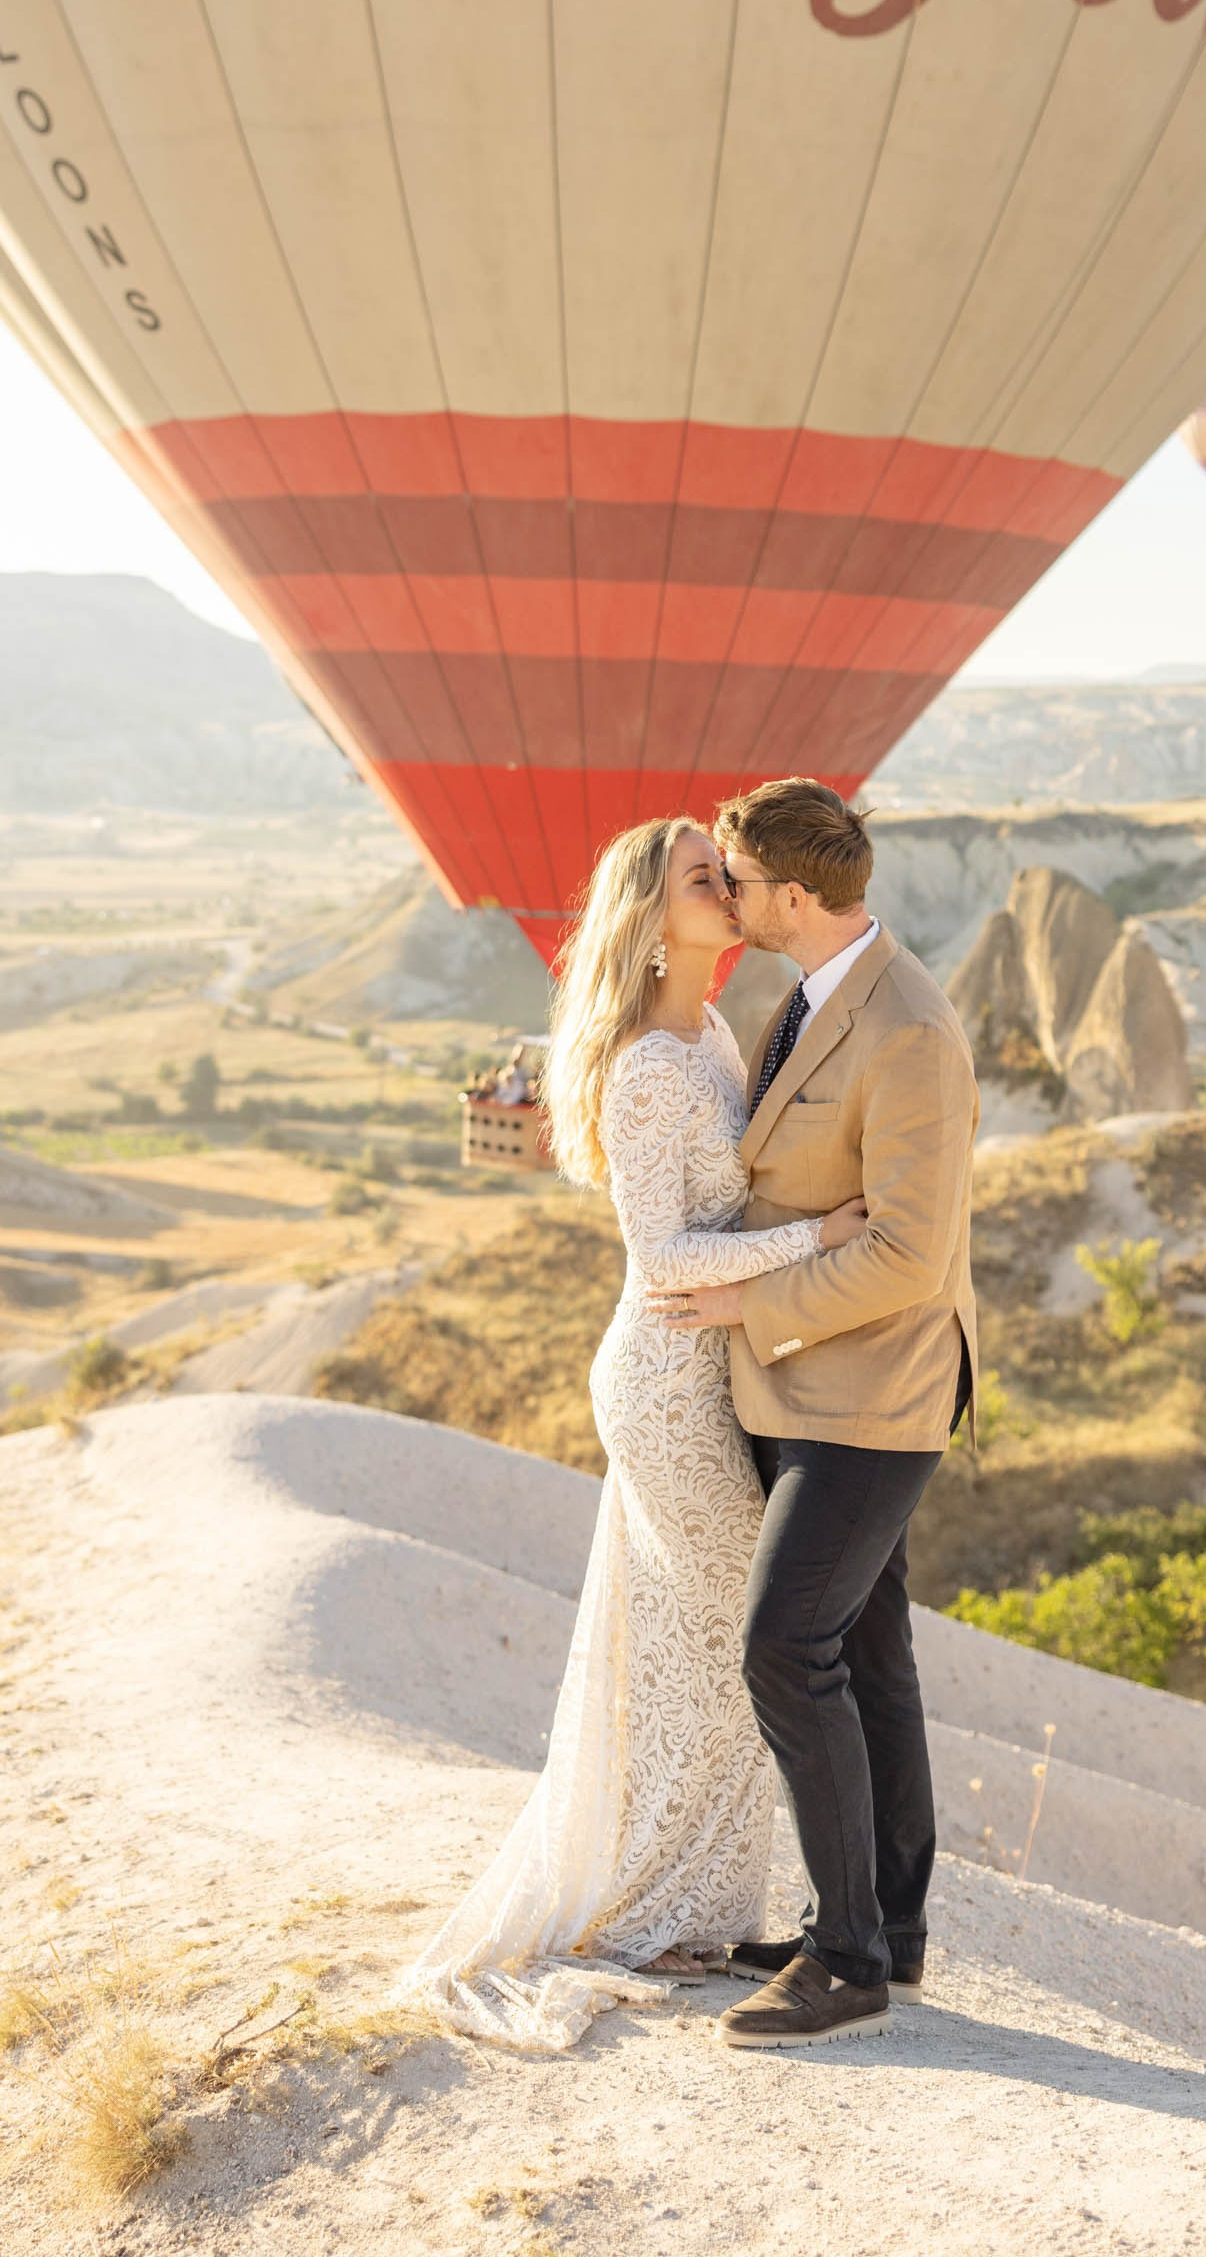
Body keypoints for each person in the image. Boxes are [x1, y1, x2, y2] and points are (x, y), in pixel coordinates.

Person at [393, 817, 867, 2052]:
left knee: (698, 1648)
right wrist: (824, 1242)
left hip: (716, 1365)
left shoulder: (708, 1031)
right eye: (706, 879)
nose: (733, 886)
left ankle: (689, 1907)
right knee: (735, 1638)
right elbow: (663, 1258)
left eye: (727, 871)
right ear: (654, 921)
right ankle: (652, 1909)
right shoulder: (652, 1064)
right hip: (666, 1380)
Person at [649, 778, 979, 2050]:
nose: (722, 896)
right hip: (807, 1382)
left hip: (873, 1389)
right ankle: (887, 1928)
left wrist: (747, 1303)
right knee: (872, 1652)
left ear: (792, 896)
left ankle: (844, 1960)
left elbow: (907, 1254)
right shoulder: (814, 994)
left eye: (734, 878)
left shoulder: (907, 1031)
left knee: (786, 1647)